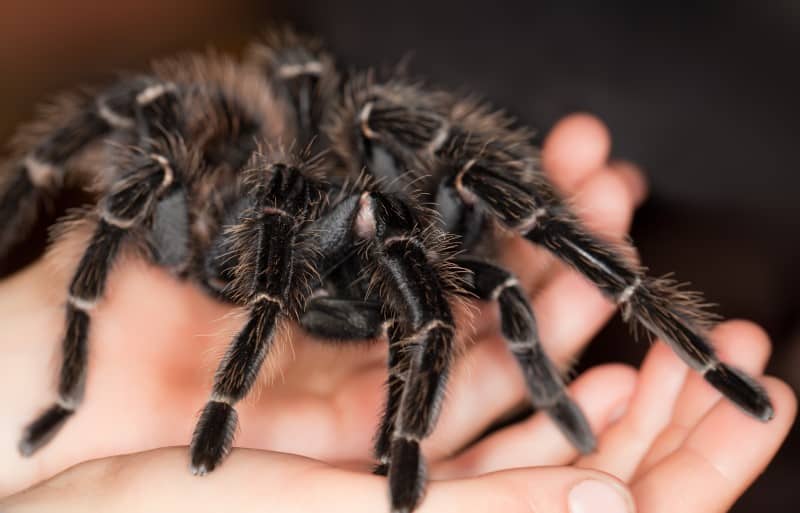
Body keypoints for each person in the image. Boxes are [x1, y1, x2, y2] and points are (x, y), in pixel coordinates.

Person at [0, 114, 794, 513]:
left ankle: (702, 355)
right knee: (186, 158)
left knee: (398, 187)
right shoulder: (232, 204)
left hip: (385, 236)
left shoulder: (391, 215)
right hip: (230, 247)